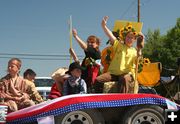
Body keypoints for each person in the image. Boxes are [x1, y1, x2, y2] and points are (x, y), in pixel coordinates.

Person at [94, 16, 144, 93]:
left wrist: (140, 48)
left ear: (134, 40)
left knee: (124, 79)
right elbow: (110, 35)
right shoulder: (119, 45)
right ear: (124, 37)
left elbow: (138, 59)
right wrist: (103, 26)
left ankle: (121, 101)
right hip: (113, 73)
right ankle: (99, 101)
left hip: (126, 74)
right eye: (128, 37)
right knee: (98, 80)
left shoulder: (135, 51)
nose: (129, 39)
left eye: (131, 38)